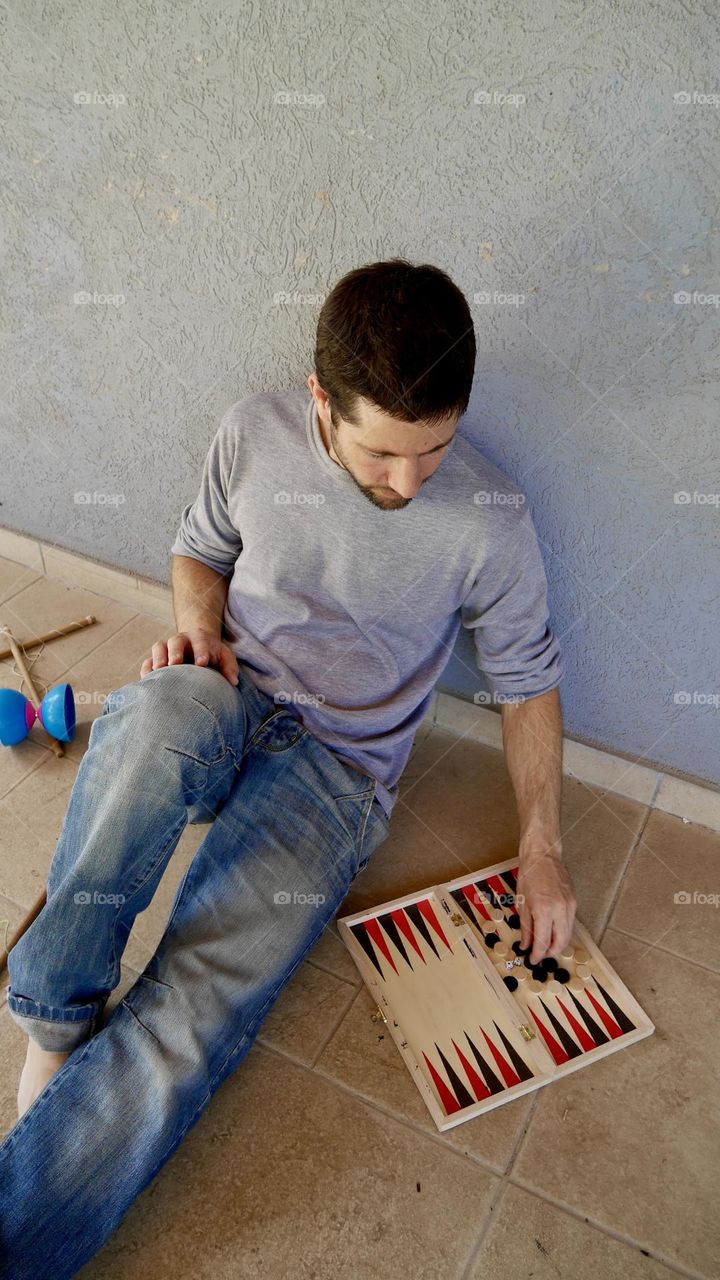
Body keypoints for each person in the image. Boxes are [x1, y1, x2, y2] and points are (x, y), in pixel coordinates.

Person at [0, 258, 576, 1279]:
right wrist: (194, 629)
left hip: (340, 771)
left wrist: (543, 847)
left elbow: (528, 684)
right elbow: (200, 548)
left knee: (201, 995)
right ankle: (54, 1017)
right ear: (320, 399)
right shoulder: (252, 432)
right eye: (383, 452)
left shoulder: (491, 516)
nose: (410, 482)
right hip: (229, 694)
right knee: (152, 714)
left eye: (435, 449)